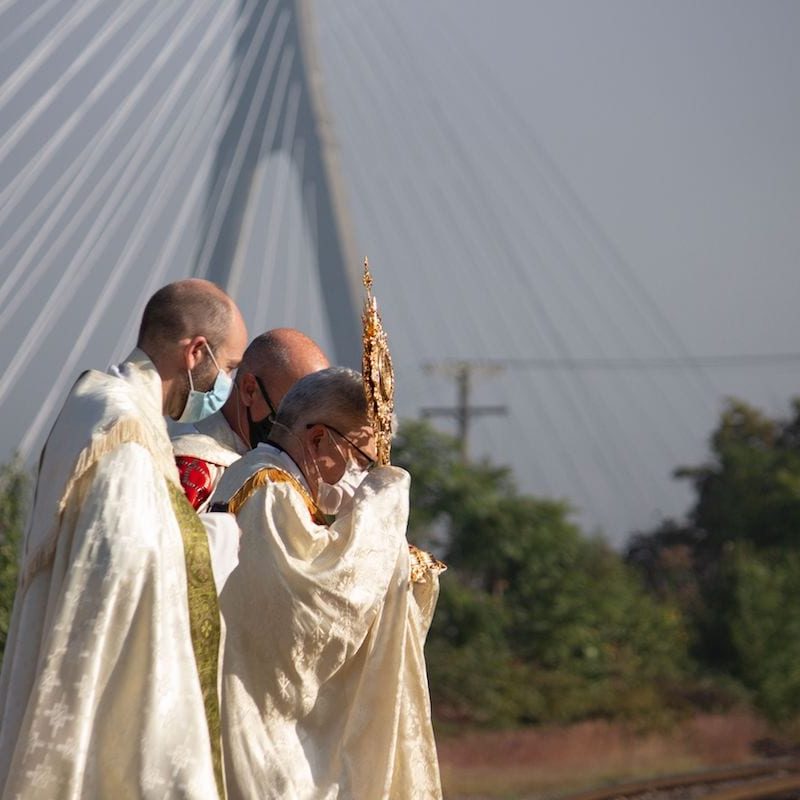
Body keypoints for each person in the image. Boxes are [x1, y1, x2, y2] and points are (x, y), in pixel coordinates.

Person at [0, 279, 247, 799]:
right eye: (228, 367)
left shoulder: (97, 406)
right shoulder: (125, 432)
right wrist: (224, 536)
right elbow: (122, 566)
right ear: (196, 351)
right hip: (112, 684)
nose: (228, 383)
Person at [210, 367, 443, 800]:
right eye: (361, 458)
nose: (363, 473)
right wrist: (383, 505)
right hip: (265, 734)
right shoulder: (267, 492)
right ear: (317, 439)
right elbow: (315, 614)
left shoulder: (275, 487)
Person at [172, 328, 329, 512]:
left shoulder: (289, 478)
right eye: (290, 416)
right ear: (250, 390)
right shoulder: (190, 469)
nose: (298, 436)